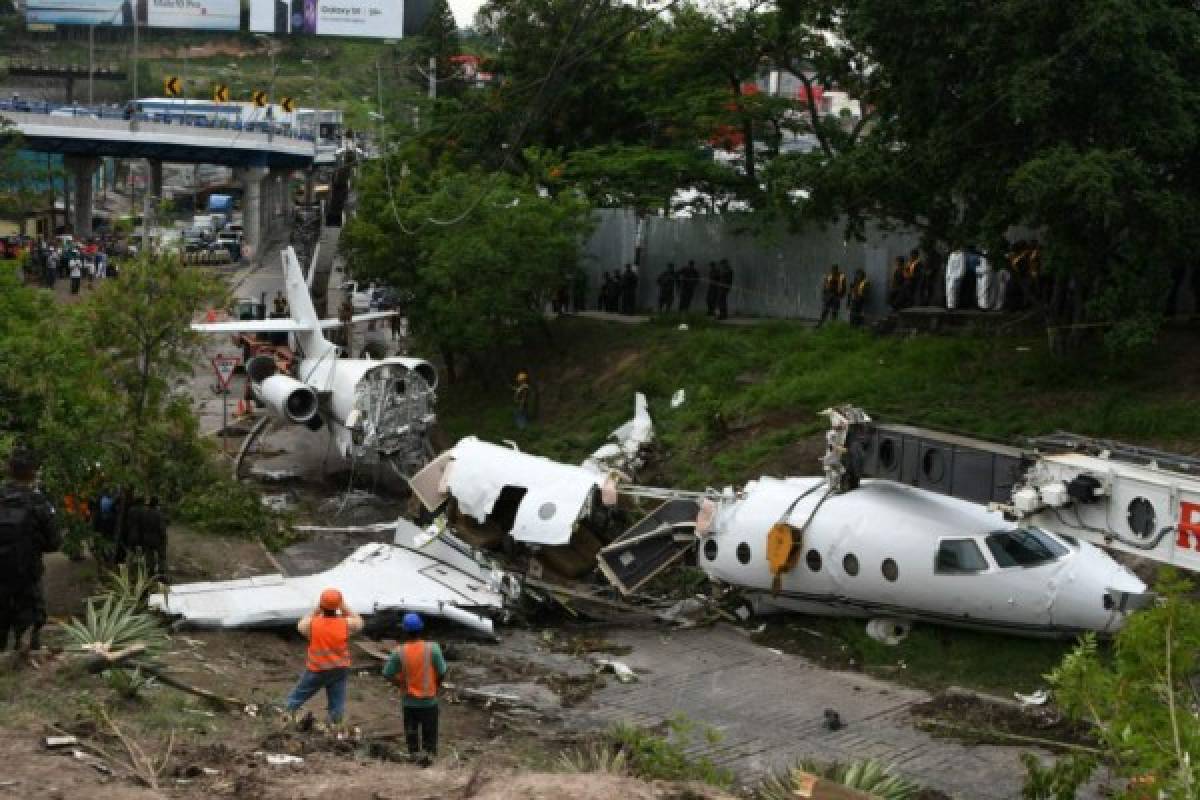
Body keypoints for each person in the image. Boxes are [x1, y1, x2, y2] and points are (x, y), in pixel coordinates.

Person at [0, 447, 61, 653]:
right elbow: (54, 543)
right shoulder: (39, 502)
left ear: (9, 470)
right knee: (28, 637)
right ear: (33, 473)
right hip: (27, 578)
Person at [284, 588, 364, 728]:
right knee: (337, 704)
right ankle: (335, 729)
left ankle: (284, 721)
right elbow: (359, 622)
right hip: (339, 669)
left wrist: (316, 610)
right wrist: (344, 607)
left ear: (321, 605)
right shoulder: (345, 624)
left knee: (296, 698)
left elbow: (300, 626)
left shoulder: (313, 624)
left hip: (317, 669)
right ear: (338, 606)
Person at [383, 612, 448, 761]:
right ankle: (429, 762)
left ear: (404, 631)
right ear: (421, 628)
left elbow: (387, 673)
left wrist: (400, 684)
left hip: (409, 702)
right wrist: (437, 685)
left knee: (412, 737)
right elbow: (443, 671)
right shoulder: (433, 648)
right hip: (429, 702)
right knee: (430, 737)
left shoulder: (399, 652)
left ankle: (414, 760)